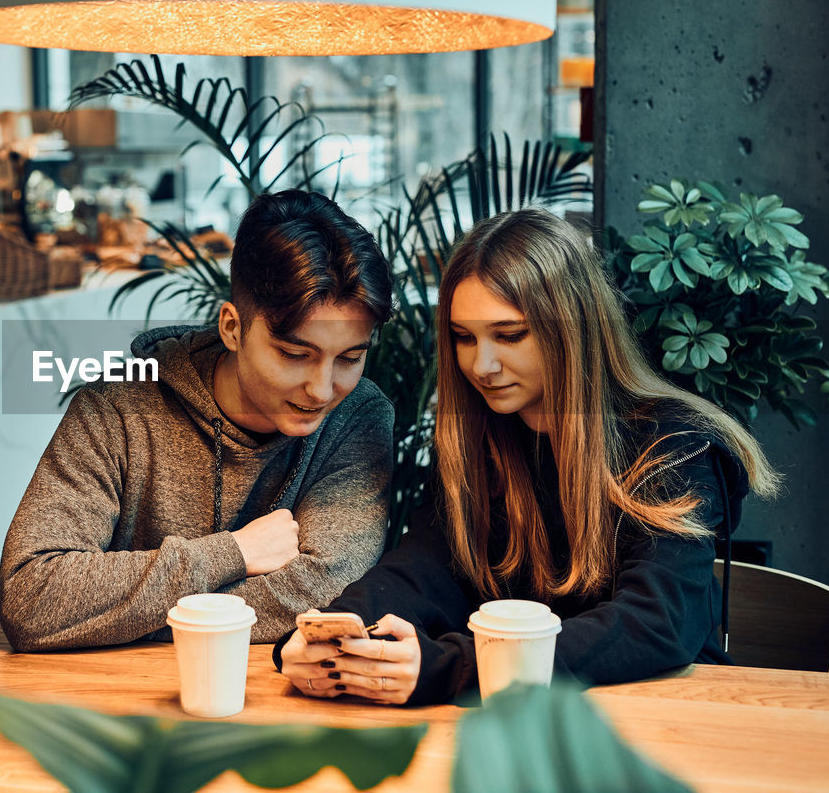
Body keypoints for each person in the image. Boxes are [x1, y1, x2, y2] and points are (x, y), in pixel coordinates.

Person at [277, 208, 779, 705]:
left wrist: (453, 668)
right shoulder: (478, 441)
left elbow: (656, 623)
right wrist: (328, 636)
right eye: (464, 337)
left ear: (571, 328)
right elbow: (424, 570)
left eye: (510, 335)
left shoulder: (675, 445)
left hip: (663, 719)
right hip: (525, 726)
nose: (482, 364)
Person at [0, 189, 396, 651]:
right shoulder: (116, 407)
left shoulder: (358, 417)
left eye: (349, 358)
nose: (322, 390)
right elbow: (32, 596)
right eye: (294, 354)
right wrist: (235, 553)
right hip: (104, 699)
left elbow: (324, 593)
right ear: (232, 327)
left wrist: (114, 614)